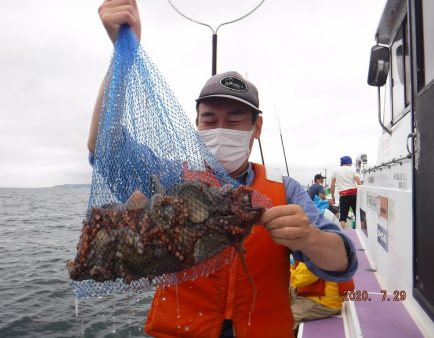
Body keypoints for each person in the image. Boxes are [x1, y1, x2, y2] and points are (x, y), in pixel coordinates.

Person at [89, 2, 358, 337]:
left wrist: (309, 237)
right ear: (196, 125)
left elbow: (342, 263)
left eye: (234, 120)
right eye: (209, 119)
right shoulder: (171, 180)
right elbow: (106, 147)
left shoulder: (283, 190)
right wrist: (122, 57)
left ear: (256, 128)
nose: (221, 128)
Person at [290, 260, 354, 336]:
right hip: (317, 295)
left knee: (288, 318)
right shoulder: (326, 251)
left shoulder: (316, 258)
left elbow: (297, 280)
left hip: (322, 303)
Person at [330, 156, 362, 229]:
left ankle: (344, 233)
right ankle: (360, 232)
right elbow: (359, 183)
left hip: (344, 196)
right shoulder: (352, 170)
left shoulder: (335, 171)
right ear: (349, 163)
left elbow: (332, 184)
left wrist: (332, 197)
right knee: (357, 214)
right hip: (354, 195)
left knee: (343, 216)